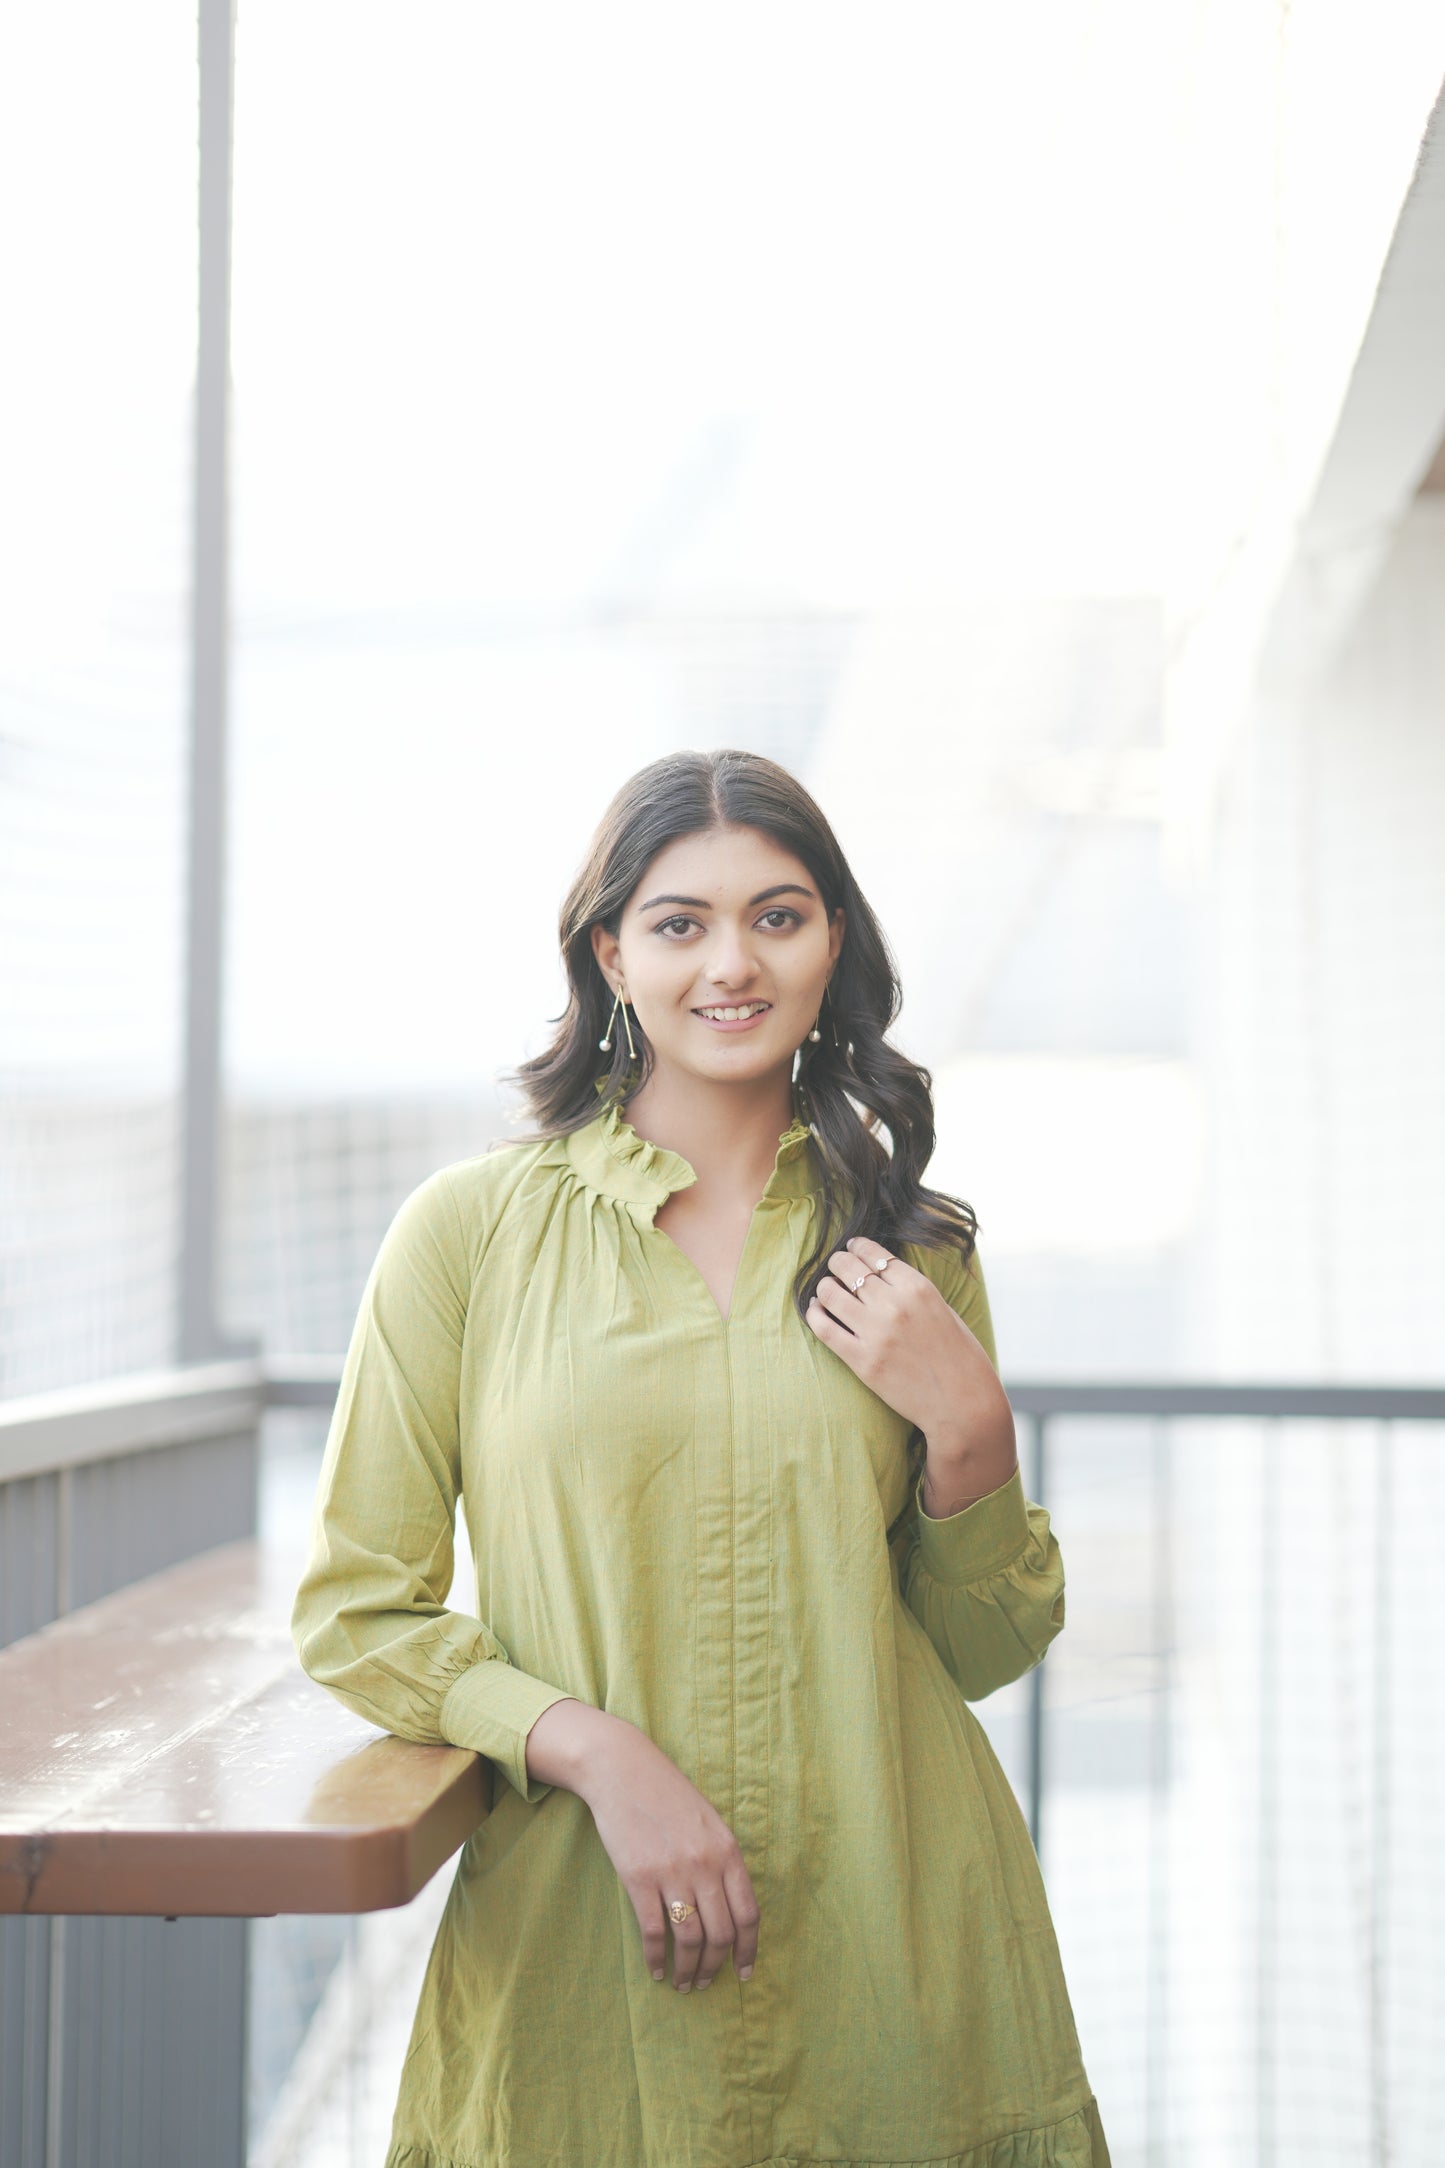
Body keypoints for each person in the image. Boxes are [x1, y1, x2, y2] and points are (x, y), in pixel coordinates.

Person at [291, 747, 1110, 2168]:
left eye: (776, 916)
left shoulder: (915, 1252)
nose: (731, 962)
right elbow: (357, 1614)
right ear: (610, 954)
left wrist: (971, 1432)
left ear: (830, 942)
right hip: (580, 1952)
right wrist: (596, 1751)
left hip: (895, 1951)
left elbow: (979, 1649)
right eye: (680, 923)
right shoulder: (469, 1233)